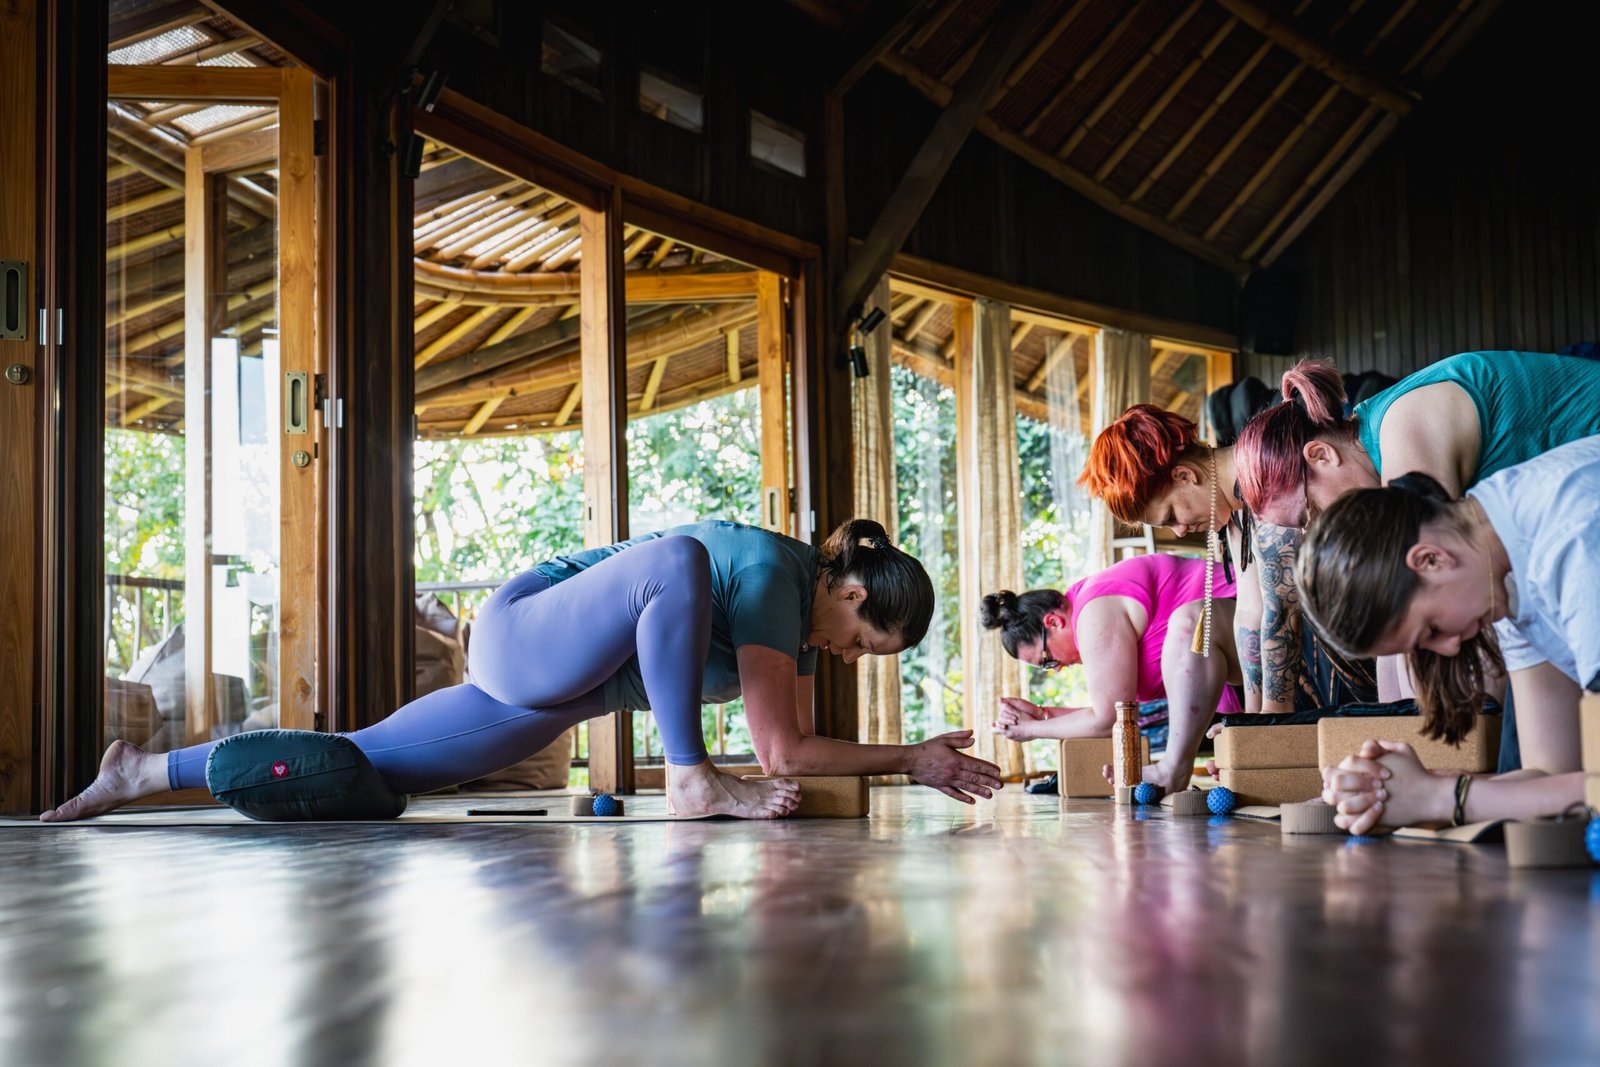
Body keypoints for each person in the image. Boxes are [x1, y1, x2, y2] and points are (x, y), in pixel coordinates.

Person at [42, 518, 1004, 822]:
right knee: (677, 560)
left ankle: (141, 771)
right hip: (522, 630)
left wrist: (913, 756)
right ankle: (684, 776)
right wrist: (903, 758)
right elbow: (780, 748)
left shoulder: (792, 629)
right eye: (858, 636)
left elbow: (790, 752)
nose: (843, 654)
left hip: (542, 694)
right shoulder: (774, 575)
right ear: (846, 585)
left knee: (360, 769)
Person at [1233, 351, 1600, 763]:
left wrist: (1401, 758)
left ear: (1321, 455)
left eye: (1310, 514)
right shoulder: (1375, 434)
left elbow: (1410, 631)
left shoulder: (1403, 436)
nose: (1318, 528)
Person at [1297, 436, 1600, 834]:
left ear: (1430, 560)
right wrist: (1398, 794)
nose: (1450, 645)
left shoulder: (1573, 536)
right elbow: (1556, 774)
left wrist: (1442, 797)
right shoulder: (1497, 565)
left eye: (1432, 630)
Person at [1080, 405, 1375, 715]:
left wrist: (1273, 719)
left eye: (1171, 516)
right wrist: (1252, 719)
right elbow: (1250, 612)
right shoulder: (1235, 510)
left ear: (1185, 476)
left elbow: (1281, 610)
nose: (1180, 532)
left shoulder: (1263, 473)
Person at [981, 551, 1243, 793]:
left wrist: (1030, 730)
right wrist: (1040, 716)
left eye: (1047, 661)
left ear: (1053, 622)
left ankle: (1172, 769)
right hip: (1236, 672)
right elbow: (1117, 713)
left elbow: (1108, 720)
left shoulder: (1092, 613)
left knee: (1191, 625)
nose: (1058, 669)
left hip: (1252, 631)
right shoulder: (1086, 603)